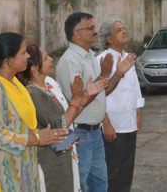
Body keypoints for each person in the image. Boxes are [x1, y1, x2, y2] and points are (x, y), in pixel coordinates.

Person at [0, 33, 69, 192]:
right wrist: (37, 138)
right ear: (9, 60)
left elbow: (21, 127)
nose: (27, 56)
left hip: (23, 172)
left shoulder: (15, 85)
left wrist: (53, 138)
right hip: (0, 176)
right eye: (23, 52)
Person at [56, 12, 134, 192]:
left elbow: (101, 93)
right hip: (80, 133)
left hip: (94, 132)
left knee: (100, 184)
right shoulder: (70, 61)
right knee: (79, 183)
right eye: (90, 28)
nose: (96, 31)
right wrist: (104, 75)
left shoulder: (90, 56)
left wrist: (117, 74)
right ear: (77, 34)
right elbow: (78, 102)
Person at [21, 44, 107, 192]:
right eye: (46, 58)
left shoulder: (49, 85)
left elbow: (70, 114)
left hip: (64, 154)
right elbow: (61, 123)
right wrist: (77, 99)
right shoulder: (33, 94)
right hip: (50, 161)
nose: (51, 59)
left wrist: (86, 96)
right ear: (35, 68)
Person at [97, 19, 144, 192]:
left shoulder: (128, 57)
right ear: (109, 39)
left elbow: (134, 87)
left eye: (124, 28)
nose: (124, 32)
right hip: (113, 125)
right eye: (118, 30)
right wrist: (106, 123)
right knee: (112, 172)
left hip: (129, 123)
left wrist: (138, 113)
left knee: (126, 170)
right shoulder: (102, 60)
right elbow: (97, 95)